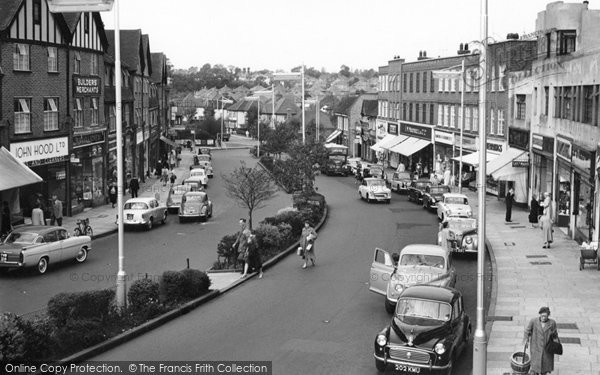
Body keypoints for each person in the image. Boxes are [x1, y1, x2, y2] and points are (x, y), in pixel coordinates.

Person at [523, 306, 558, 375]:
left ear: (548, 316)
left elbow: (555, 334)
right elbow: (527, 331)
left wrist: (556, 344)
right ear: (540, 314)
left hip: (547, 348)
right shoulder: (533, 321)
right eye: (542, 316)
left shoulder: (552, 323)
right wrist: (526, 340)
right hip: (536, 347)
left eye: (545, 316)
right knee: (535, 366)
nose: (543, 318)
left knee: (545, 367)